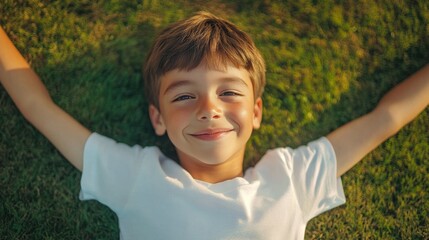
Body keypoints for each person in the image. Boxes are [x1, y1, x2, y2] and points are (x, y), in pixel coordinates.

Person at [0, 11, 427, 240]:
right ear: (158, 119)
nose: (209, 109)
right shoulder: (136, 177)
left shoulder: (291, 178)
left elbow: (384, 119)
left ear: (256, 112)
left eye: (229, 93)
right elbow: (39, 108)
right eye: (185, 96)